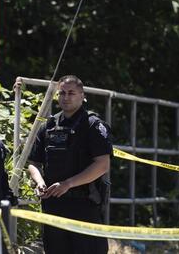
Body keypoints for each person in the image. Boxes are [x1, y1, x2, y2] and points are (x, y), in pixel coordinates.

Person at [27, 75, 112, 254]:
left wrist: (68, 184)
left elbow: (102, 164)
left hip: (83, 205)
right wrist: (40, 181)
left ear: (82, 95)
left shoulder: (92, 125)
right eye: (62, 93)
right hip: (53, 205)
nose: (66, 97)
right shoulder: (49, 125)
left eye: (71, 93)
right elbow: (34, 163)